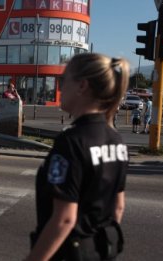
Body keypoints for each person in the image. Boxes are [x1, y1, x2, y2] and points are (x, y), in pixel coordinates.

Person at [26, 53, 129, 261]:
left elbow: (64, 219)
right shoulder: (116, 140)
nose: (59, 87)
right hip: (100, 251)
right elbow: (118, 207)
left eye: (63, 80)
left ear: (82, 86)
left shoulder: (71, 142)